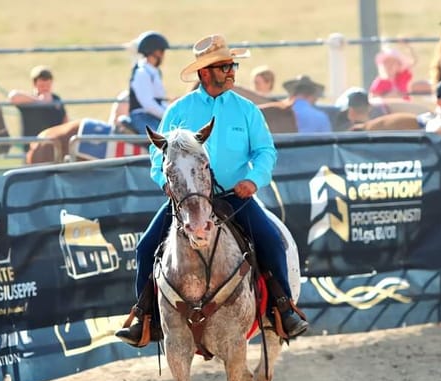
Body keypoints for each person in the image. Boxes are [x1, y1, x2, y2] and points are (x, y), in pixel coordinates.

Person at [115, 33, 309, 347]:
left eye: (232, 65)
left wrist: (254, 179)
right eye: (224, 66)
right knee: (145, 247)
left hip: (236, 197)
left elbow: (265, 151)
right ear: (205, 73)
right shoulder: (179, 110)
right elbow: (158, 153)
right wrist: (163, 180)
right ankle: (144, 317)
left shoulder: (247, 110)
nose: (232, 71)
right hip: (189, 200)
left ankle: (283, 310)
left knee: (272, 241)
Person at [128, 31, 170, 134]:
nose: (163, 56)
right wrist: (168, 115)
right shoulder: (142, 73)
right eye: (162, 52)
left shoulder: (153, 72)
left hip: (152, 115)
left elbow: (159, 100)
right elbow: (148, 104)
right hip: (142, 116)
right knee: (160, 141)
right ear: (154, 52)